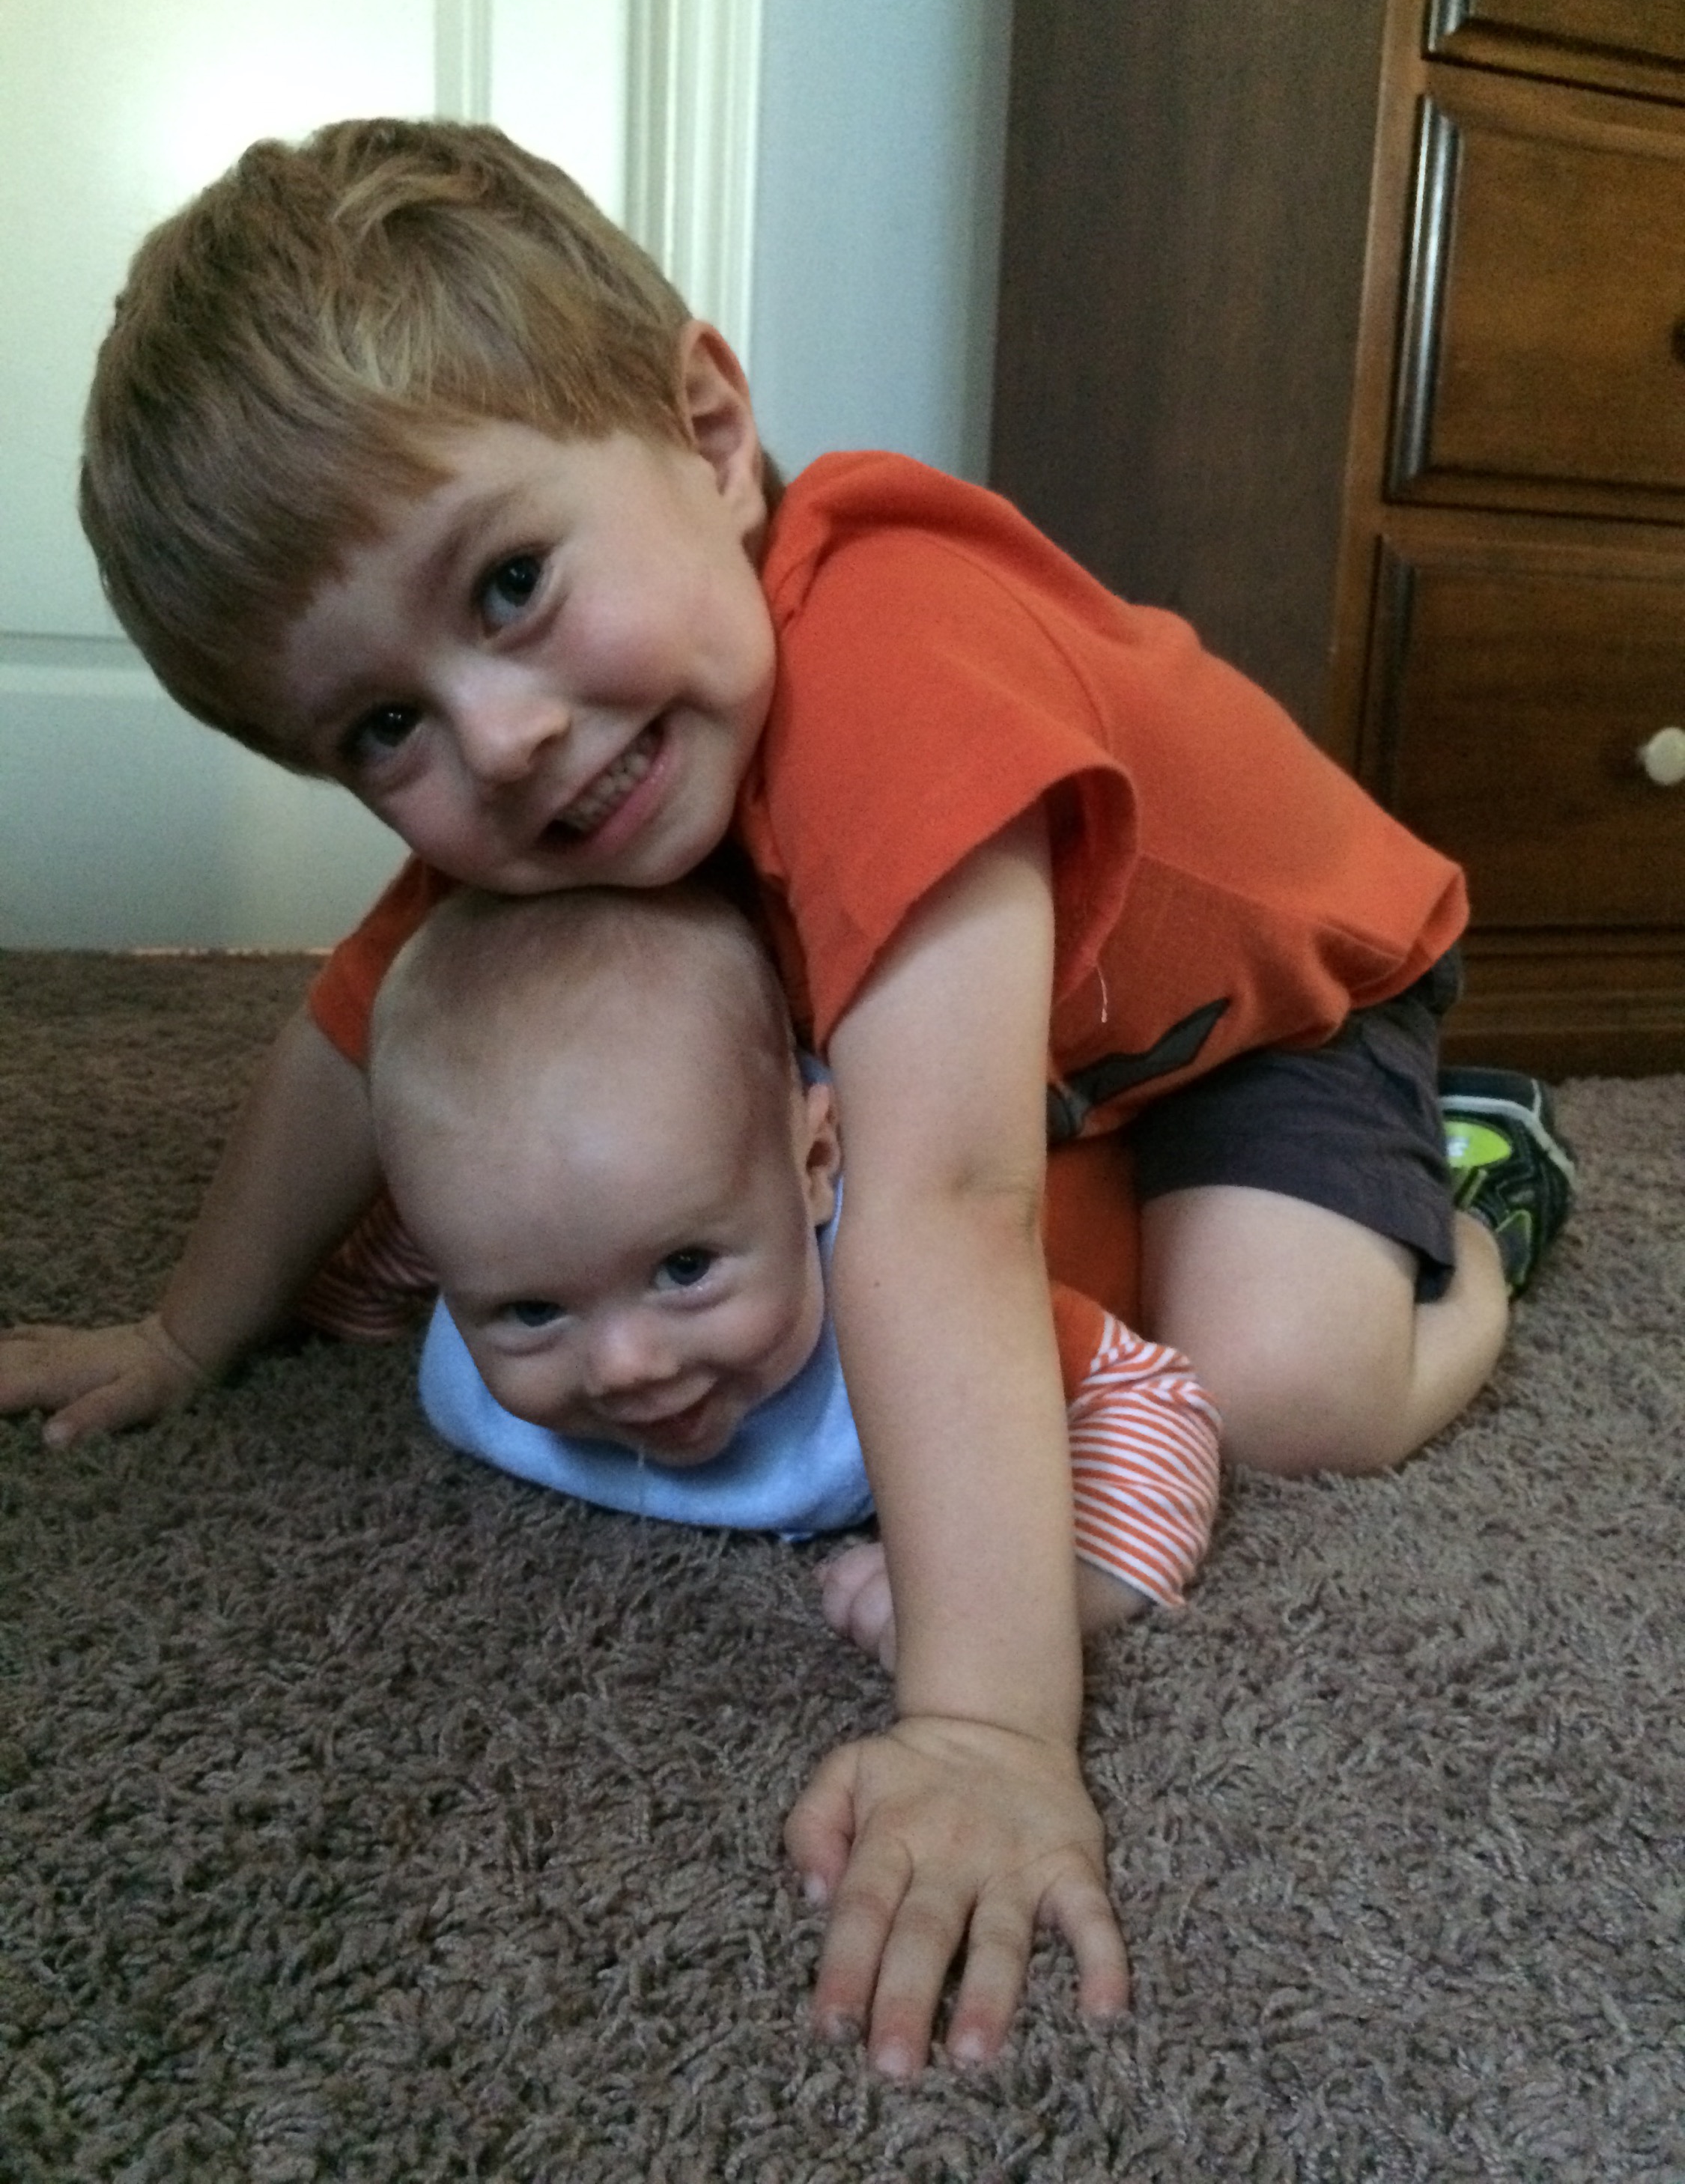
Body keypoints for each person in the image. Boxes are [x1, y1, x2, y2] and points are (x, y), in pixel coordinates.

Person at [0, 119, 1575, 2076]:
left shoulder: (892, 660)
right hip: (1051, 1054)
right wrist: (183, 1331)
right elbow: (365, 1033)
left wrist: (981, 1732)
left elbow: (941, 1205)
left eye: (510, 583)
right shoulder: (579, 764)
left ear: (711, 429)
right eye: (383, 725)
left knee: (1273, 1391)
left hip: (1275, 1019)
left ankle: (1475, 1204)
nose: (500, 739)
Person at [365, 880, 1222, 1664]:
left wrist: (1036, 1591)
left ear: (814, 1166)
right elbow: (399, 1256)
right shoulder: (495, 1231)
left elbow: (1147, 1396)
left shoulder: (910, 1298)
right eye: (533, 1311)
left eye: (685, 1268)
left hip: (1128, 1136)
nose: (626, 1366)